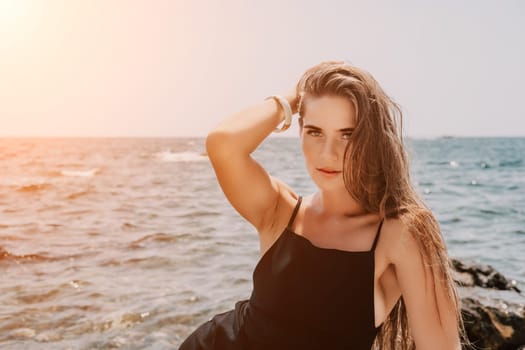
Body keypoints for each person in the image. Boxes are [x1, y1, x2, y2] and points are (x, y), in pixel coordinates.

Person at [179, 61, 470, 350]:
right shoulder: (280, 212)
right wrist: (291, 99)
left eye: (348, 134)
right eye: (315, 132)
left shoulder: (400, 232)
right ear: (300, 130)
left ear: (373, 140)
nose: (328, 153)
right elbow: (223, 144)